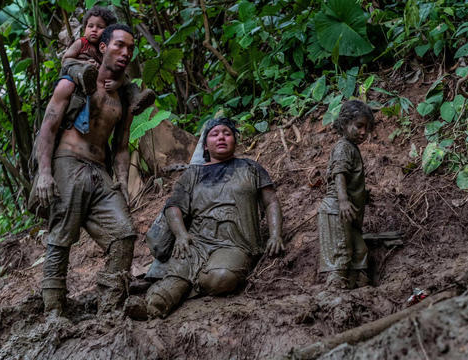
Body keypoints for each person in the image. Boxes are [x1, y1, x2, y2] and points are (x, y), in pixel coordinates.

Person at [34, 24, 138, 316]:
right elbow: (48, 128)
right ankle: (53, 312)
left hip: (100, 172)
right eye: (119, 45)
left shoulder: (124, 98)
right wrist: (45, 172)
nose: (126, 52)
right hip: (68, 162)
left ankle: (109, 308)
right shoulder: (72, 83)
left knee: (124, 235)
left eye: (130, 48)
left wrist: (121, 180)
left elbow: (121, 146)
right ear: (103, 48)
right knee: (61, 236)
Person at [141, 117, 284, 319]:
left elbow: (271, 202)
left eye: (227, 133)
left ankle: (189, 285)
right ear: (205, 144)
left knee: (220, 278)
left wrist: (275, 235)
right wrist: (181, 235)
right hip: (196, 242)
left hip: (236, 244)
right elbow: (173, 207)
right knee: (167, 289)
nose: (221, 138)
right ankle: (150, 309)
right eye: (214, 134)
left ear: (235, 139)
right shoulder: (192, 174)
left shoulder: (251, 168)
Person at [317, 100, 375, 289]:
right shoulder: (343, 147)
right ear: (344, 124)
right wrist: (343, 200)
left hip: (346, 211)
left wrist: (362, 196)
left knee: (360, 251)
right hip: (337, 209)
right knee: (341, 252)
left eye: (366, 128)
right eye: (359, 126)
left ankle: (357, 289)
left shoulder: (351, 148)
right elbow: (339, 173)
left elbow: (349, 177)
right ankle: (333, 292)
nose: (363, 132)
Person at [60, 6, 155, 119]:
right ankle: (86, 80)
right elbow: (65, 60)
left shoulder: (107, 49)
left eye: (100, 27)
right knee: (74, 68)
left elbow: (121, 72)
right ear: (84, 28)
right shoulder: (81, 43)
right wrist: (83, 64)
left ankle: (136, 99)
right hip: (77, 70)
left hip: (96, 75)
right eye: (90, 26)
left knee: (127, 81)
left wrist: (117, 83)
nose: (94, 30)